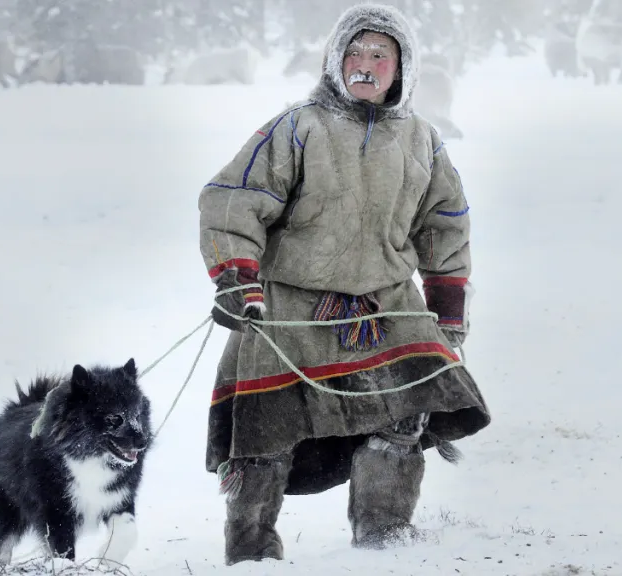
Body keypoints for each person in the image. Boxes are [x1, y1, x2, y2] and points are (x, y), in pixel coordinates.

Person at [197, 3, 492, 566]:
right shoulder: (297, 126)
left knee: (405, 412)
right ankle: (252, 551)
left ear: (401, 67)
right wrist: (237, 278)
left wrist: (448, 309)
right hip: (289, 307)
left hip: (385, 306)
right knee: (264, 433)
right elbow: (232, 199)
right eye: (354, 53)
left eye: (380, 55)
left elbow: (445, 225)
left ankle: (383, 539)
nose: (365, 65)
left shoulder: (422, 140)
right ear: (335, 60)